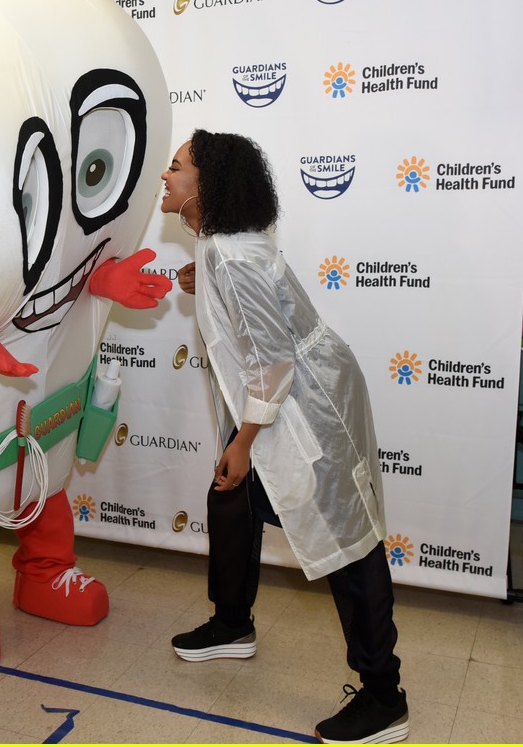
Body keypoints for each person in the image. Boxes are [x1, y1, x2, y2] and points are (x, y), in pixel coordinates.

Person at [161, 130, 408, 744]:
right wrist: (205, 278)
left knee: (346, 538)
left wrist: (243, 441)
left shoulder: (234, 258)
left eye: (176, 167)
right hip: (282, 395)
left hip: (310, 403)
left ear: (207, 186)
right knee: (233, 501)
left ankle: (384, 695)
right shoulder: (221, 244)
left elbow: (273, 364)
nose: (165, 176)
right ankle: (231, 625)